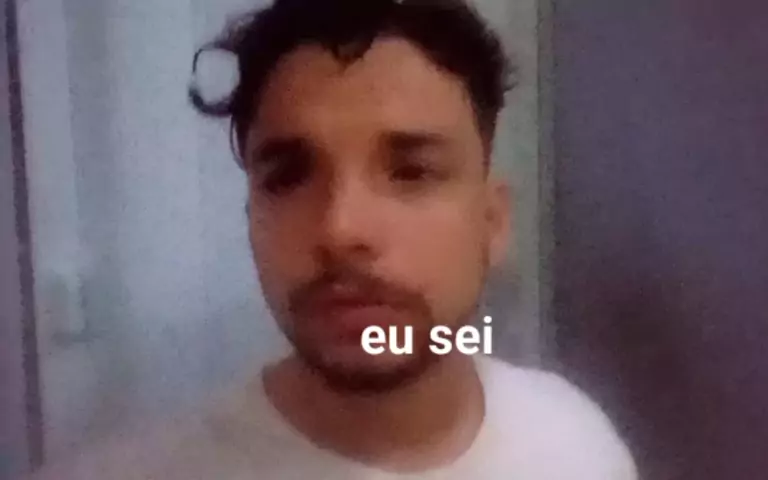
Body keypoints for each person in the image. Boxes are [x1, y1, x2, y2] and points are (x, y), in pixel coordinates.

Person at [30, 0, 637, 478]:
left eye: (411, 172)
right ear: (252, 219)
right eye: (288, 176)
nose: (340, 228)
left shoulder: (575, 446)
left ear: (492, 222)